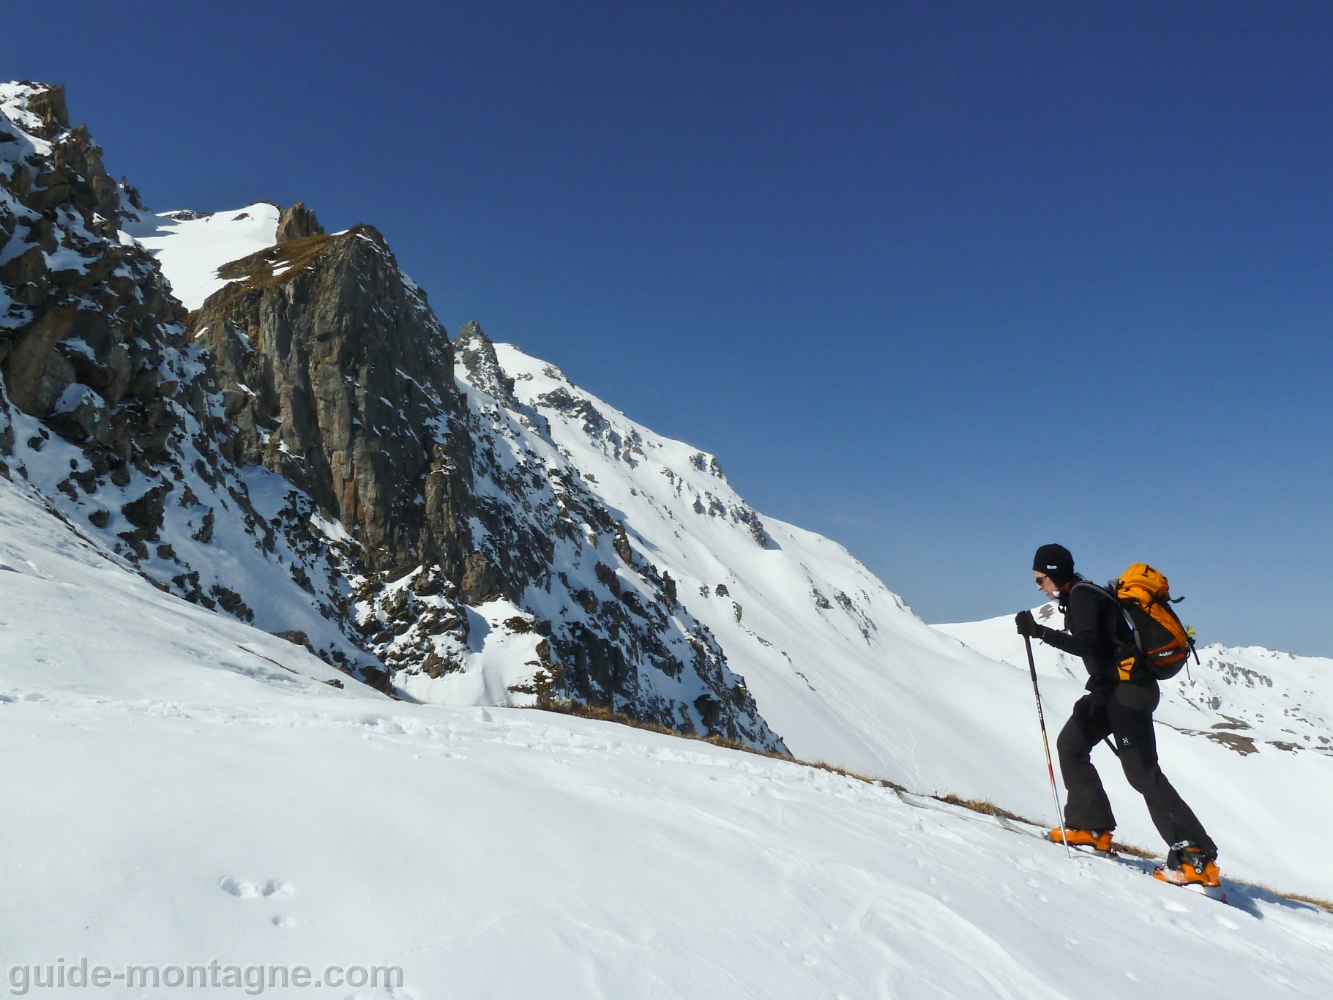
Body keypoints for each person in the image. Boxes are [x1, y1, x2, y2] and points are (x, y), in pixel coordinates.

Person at [1015, 543, 1220, 887]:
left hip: (1128, 694)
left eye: (1041, 579)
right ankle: (1090, 826)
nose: (1038, 586)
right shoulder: (1082, 595)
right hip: (1110, 691)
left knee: (1142, 774)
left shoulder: (1082, 596)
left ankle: (1195, 856)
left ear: (1055, 573)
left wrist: (1039, 632)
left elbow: (1087, 645)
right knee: (1071, 744)